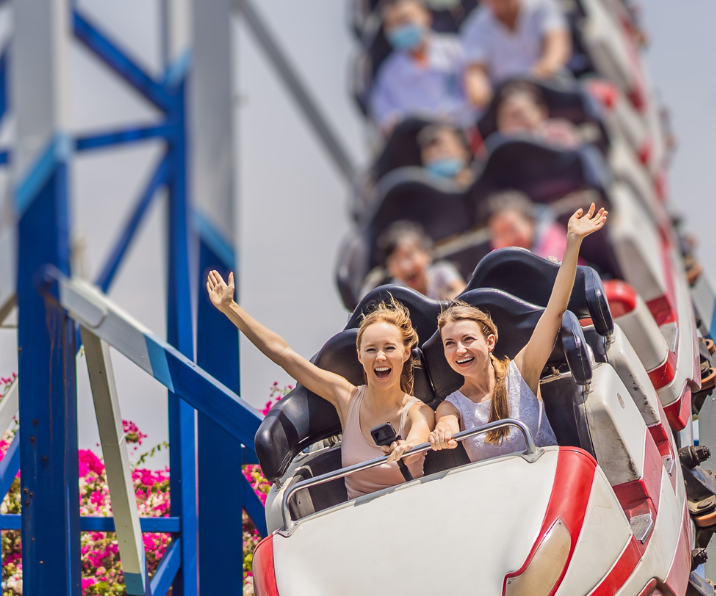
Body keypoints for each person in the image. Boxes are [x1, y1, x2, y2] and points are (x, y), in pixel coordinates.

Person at [206, 272, 432, 497]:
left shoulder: (418, 411)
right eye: (371, 349)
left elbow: (417, 439)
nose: (380, 357)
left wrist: (406, 449)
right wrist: (230, 308)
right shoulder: (346, 398)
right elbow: (283, 354)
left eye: (389, 348)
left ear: (405, 353)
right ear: (360, 356)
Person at [428, 203, 608, 461]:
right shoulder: (451, 405)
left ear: (490, 342)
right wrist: (442, 433)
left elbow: (555, 310)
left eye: (468, 339)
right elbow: (446, 425)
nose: (460, 350)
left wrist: (573, 242)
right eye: (450, 343)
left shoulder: (521, 371)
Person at [459, 0, 571, 111]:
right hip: (508, 104)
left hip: (551, 87)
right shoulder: (473, 28)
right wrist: (488, 100)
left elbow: (557, 48)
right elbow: (475, 75)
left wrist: (535, 78)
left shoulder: (544, 2)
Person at [370, 0, 472, 131]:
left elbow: (480, 95)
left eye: (405, 20)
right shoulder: (388, 75)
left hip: (470, 129)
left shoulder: (456, 49)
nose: (400, 28)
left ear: (425, 15)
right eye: (392, 25)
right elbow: (386, 121)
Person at [380, 221, 464, 300]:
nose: (405, 266)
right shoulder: (395, 291)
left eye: (410, 256)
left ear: (426, 254)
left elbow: (462, 292)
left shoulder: (442, 272)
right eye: (397, 261)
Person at [493, 79, 582, 148]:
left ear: (541, 112)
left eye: (519, 114)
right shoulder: (496, 147)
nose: (513, 123)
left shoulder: (558, 132)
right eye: (506, 116)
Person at [484, 190, 568, 260]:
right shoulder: (496, 256)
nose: (508, 239)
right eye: (500, 234)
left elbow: (553, 263)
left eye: (512, 230)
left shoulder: (552, 235)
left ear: (530, 222)